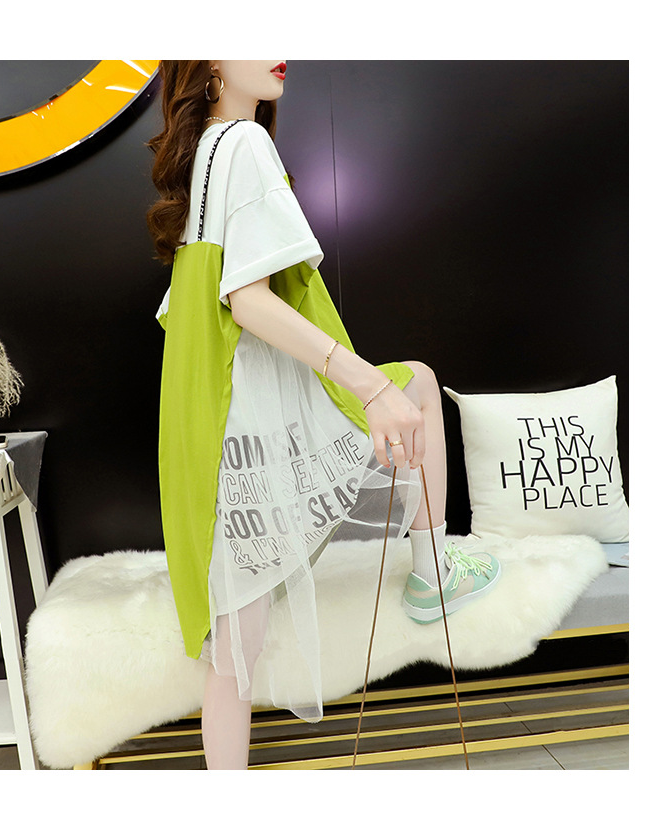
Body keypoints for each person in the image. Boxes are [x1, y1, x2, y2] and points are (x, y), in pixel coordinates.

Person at [147, 60, 500, 769]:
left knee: (234, 653)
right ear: (210, 58)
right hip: (246, 414)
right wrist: (365, 385)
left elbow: (201, 304)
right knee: (417, 385)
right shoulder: (244, 142)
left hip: (205, 421)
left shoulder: (207, 152)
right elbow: (246, 299)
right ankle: (433, 574)